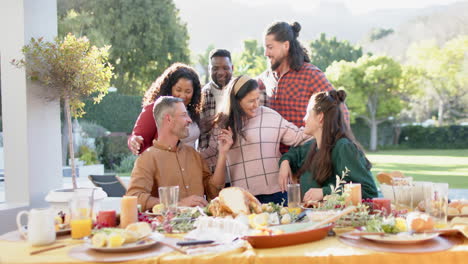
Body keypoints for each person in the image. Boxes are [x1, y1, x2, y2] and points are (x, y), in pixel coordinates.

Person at [201, 75, 310, 204]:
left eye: (258, 99)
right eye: (251, 101)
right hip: (244, 198)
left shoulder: (270, 115)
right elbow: (209, 161)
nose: (256, 105)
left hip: (277, 193)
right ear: (236, 101)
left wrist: (324, 129)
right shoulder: (221, 125)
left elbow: (299, 137)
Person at [126, 96, 233, 210]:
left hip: (200, 225)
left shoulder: (194, 155)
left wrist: (223, 154)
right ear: (168, 119)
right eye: (183, 115)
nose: (190, 120)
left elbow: (214, 192)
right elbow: (134, 196)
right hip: (167, 226)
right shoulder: (148, 158)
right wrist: (177, 204)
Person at [258, 21, 349, 152]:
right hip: (274, 159)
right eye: (265, 48)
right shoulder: (264, 78)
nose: (266, 53)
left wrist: (331, 150)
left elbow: (341, 112)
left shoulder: (310, 75)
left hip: (306, 158)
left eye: (270, 47)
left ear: (286, 45)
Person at [278, 90, 378, 202]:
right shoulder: (311, 146)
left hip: (339, 218)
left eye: (308, 114)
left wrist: (325, 192)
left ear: (320, 117)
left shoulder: (343, 147)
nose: (304, 118)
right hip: (312, 217)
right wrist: (285, 162)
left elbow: (369, 191)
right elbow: (294, 154)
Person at [127, 63, 202, 155]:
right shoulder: (154, 109)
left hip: (189, 166)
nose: (182, 96)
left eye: (188, 91)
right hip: (164, 166)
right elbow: (138, 137)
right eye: (178, 90)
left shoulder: (194, 112)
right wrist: (134, 141)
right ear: (169, 88)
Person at [198, 49, 234, 150]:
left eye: (225, 68)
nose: (220, 72)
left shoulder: (240, 91)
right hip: (209, 157)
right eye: (215, 68)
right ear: (209, 70)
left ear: (232, 68)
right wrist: (202, 126)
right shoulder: (201, 95)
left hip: (236, 155)